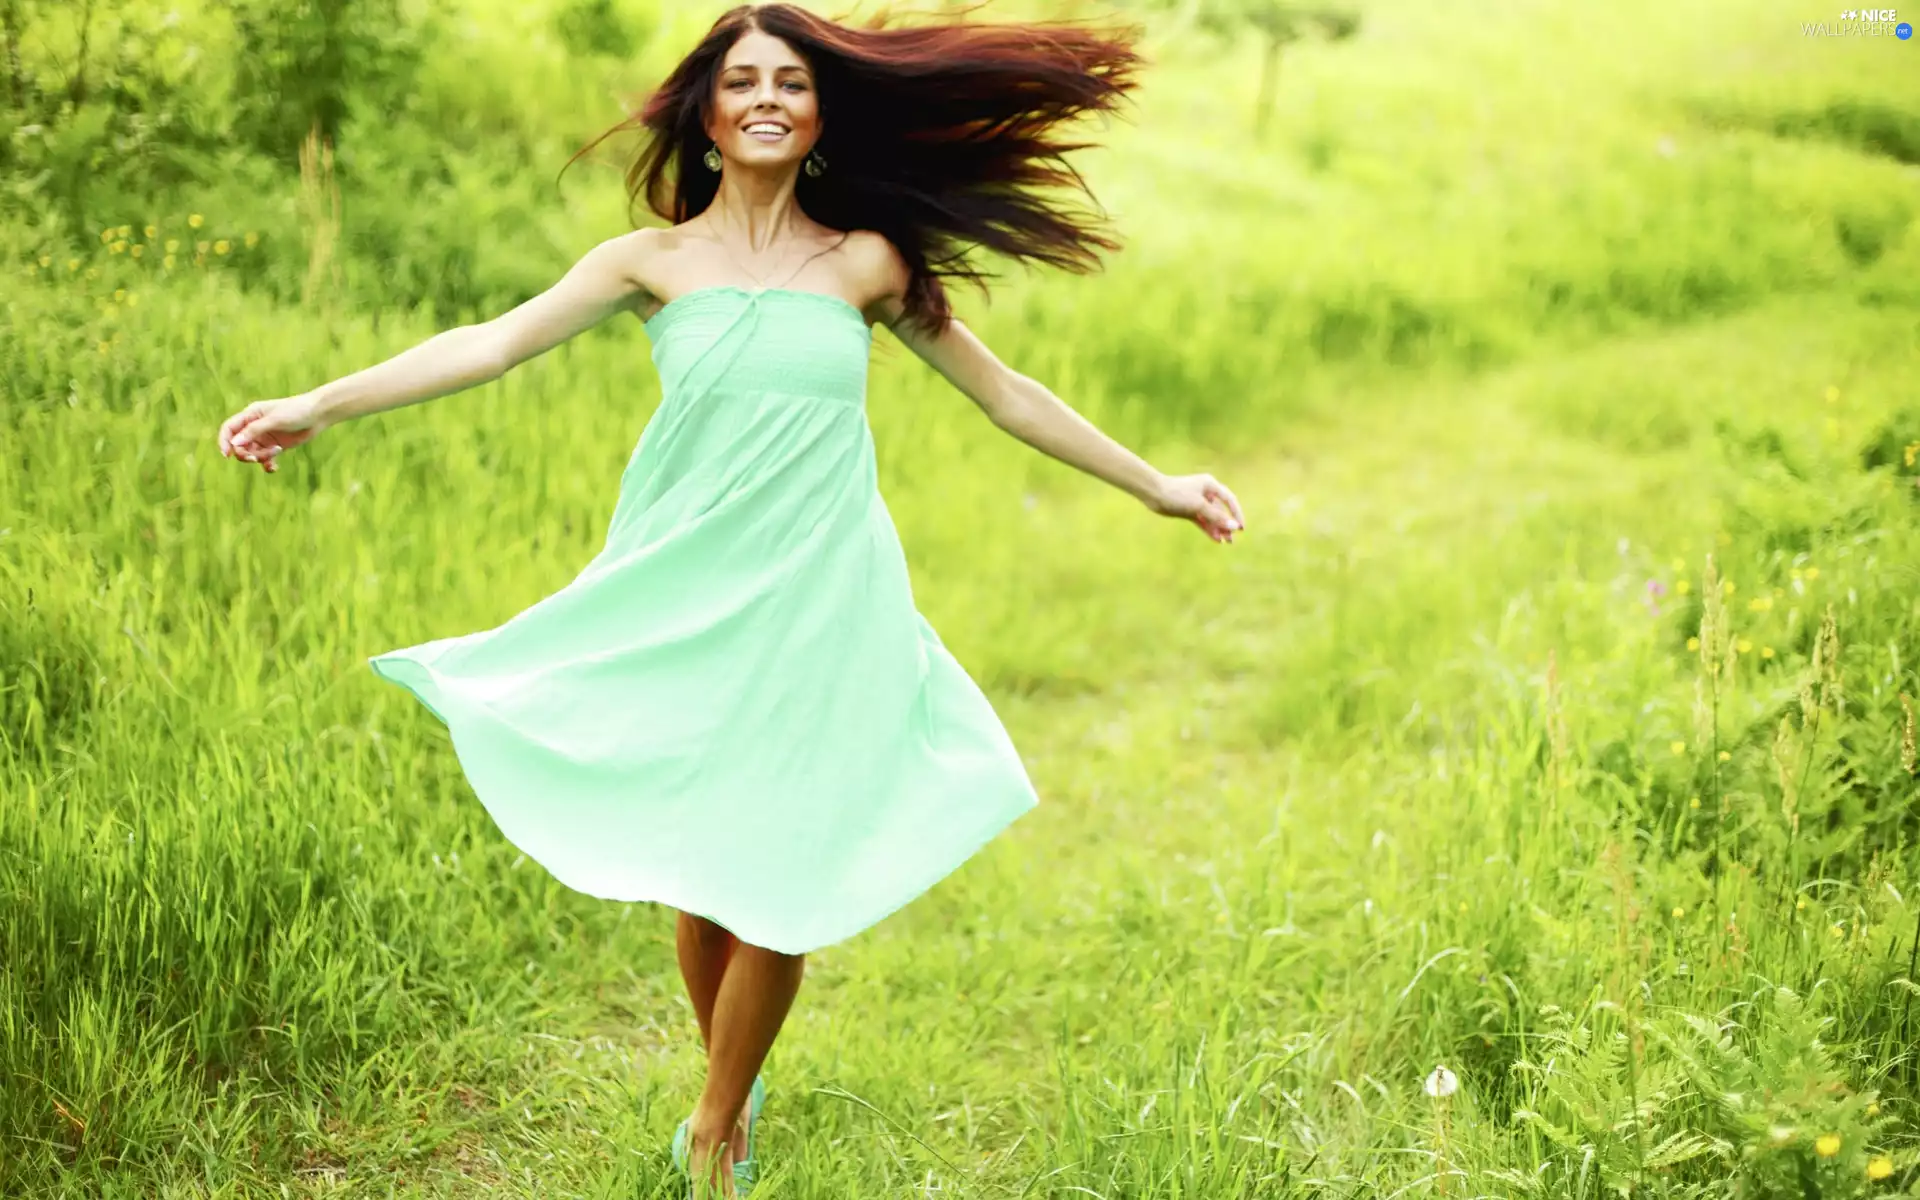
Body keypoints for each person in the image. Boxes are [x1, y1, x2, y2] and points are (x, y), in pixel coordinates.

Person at [215, 3, 1245, 1195]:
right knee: (702, 861)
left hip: (822, 586)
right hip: (684, 578)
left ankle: (713, 1129)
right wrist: (318, 404)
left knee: (784, 858)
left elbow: (1008, 397)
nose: (768, 97)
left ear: (818, 119)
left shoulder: (865, 261)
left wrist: (1159, 485)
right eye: (743, 80)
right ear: (707, 115)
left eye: (793, 84)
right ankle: (735, 1072)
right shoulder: (648, 265)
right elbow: (487, 345)